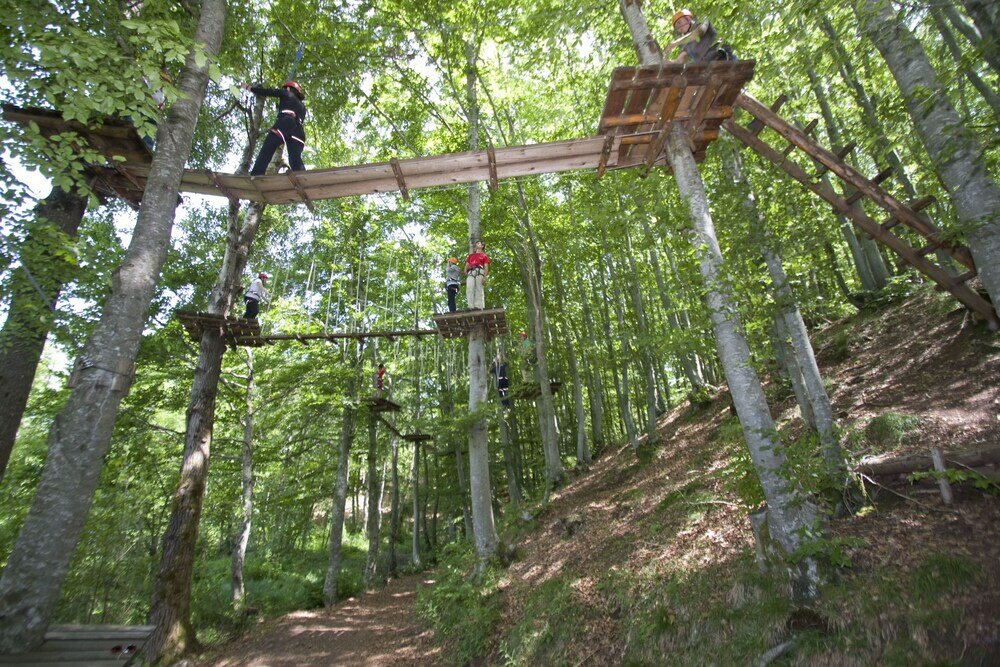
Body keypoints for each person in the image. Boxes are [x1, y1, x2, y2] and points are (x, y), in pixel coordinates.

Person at [246, 80, 307, 176]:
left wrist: (249, 88)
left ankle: (256, 175)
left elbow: (268, 92)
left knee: (267, 149)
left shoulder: (286, 93)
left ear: (288, 88)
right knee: (295, 160)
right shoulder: (303, 107)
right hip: (299, 132)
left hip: (285, 123)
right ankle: (303, 177)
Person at [664, 9, 736, 64]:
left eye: (679, 23)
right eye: (677, 27)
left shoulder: (703, 24)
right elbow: (679, 61)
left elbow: (697, 33)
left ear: (688, 18)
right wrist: (665, 61)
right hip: (706, 66)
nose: (679, 28)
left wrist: (675, 43)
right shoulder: (687, 45)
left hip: (722, 57)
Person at [464, 240, 490, 310]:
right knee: (469, 287)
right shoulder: (471, 255)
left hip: (480, 271)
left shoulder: (484, 256)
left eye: (479, 243)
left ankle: (478, 306)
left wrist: (484, 277)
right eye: (477, 243)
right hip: (471, 272)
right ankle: (470, 306)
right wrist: (465, 271)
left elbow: (486, 266)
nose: (477, 244)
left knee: (479, 288)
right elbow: (467, 264)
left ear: (482, 246)